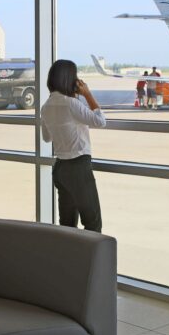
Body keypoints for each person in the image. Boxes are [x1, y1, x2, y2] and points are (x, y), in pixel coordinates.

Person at [40, 59, 105, 232]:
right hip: (78, 167)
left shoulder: (45, 107)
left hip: (60, 168)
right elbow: (100, 121)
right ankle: (88, 259)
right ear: (69, 79)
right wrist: (87, 95)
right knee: (93, 223)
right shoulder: (71, 104)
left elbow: (46, 137)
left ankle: (68, 258)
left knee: (67, 225)